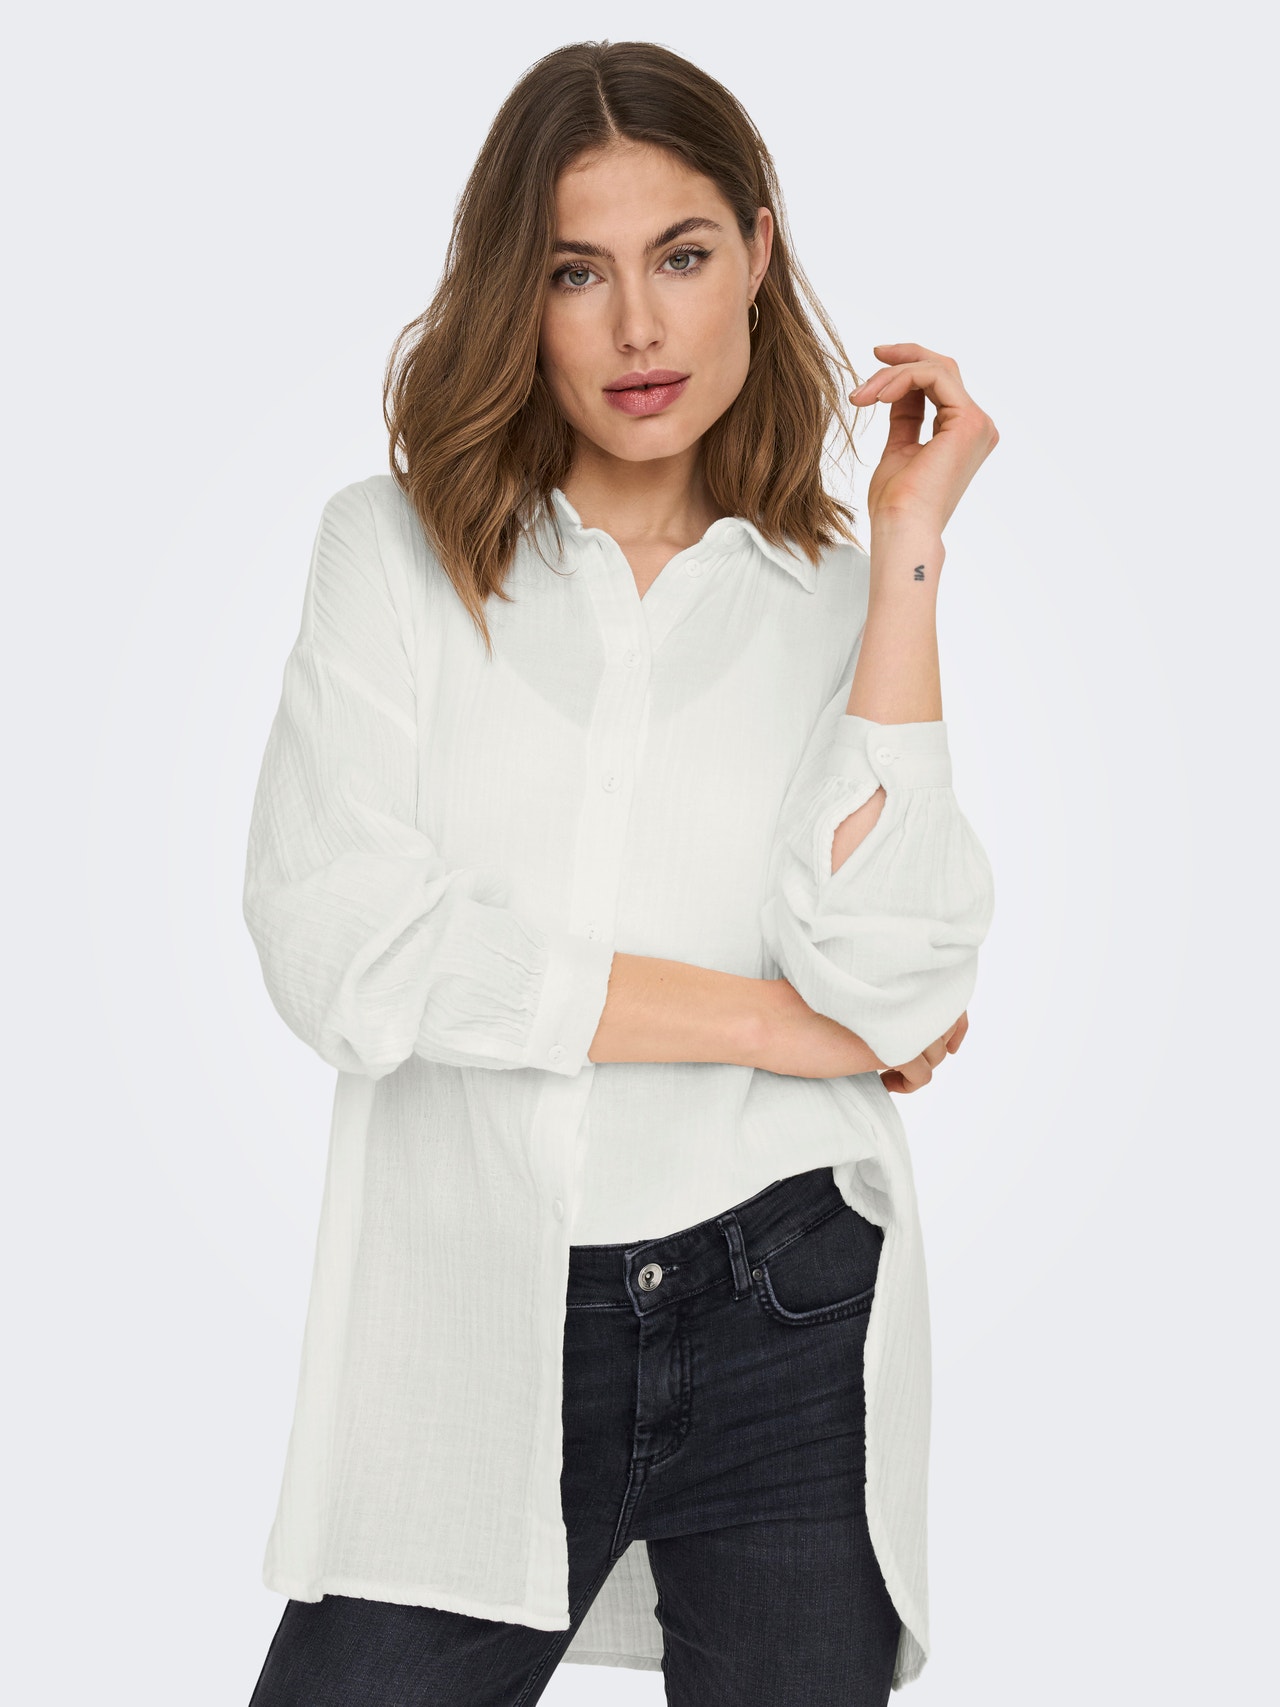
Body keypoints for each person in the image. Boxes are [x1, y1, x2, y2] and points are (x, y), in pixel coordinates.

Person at [242, 37, 998, 1707]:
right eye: (577, 271)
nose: (638, 327)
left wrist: (908, 553)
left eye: (683, 256)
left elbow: (899, 978)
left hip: (789, 1298)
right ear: (516, 292)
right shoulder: (393, 555)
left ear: (759, 251)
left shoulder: (837, 597)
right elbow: (344, 946)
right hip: (481, 1307)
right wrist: (777, 1025)